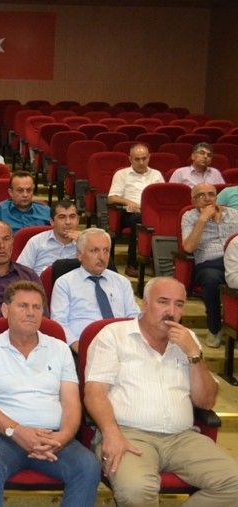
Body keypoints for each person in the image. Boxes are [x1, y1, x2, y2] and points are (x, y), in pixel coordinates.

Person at [84, 276, 238, 506]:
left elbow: (206, 401)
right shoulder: (113, 335)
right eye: (163, 302)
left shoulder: (188, 341)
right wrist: (110, 432)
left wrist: (194, 354)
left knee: (234, 483)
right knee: (136, 490)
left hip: (182, 438)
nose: (171, 311)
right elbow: (94, 393)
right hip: (128, 435)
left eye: (179, 304)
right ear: (145, 304)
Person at [0, 281, 100, 507]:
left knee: (88, 466)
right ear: (5, 310)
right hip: (3, 435)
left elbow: (71, 402)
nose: (31, 312)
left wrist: (62, 437)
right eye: (23, 306)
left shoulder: (59, 348)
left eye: (37, 307)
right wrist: (16, 431)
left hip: (52, 438)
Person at [51, 228, 140, 352]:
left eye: (106, 251)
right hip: (84, 346)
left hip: (122, 346)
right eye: (94, 251)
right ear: (79, 255)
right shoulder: (64, 283)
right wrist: (79, 348)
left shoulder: (122, 282)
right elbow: (59, 323)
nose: (102, 257)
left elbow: (134, 316)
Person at [181, 182, 238, 347]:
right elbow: (189, 248)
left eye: (211, 194)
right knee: (211, 279)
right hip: (209, 264)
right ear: (193, 201)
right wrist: (202, 220)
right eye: (201, 195)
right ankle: (214, 329)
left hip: (234, 260)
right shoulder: (189, 217)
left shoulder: (234, 214)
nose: (207, 199)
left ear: (217, 197)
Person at [107, 144, 165, 277]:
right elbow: (111, 198)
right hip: (129, 214)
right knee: (137, 220)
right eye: (137, 159)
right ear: (130, 159)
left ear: (149, 158)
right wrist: (128, 202)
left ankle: (160, 264)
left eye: (144, 158)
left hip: (152, 213)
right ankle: (132, 265)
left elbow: (162, 197)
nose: (141, 162)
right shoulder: (122, 174)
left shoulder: (156, 174)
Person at [16, 199, 80, 276]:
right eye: (62, 217)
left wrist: (83, 243)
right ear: (52, 222)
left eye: (72, 217)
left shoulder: (86, 243)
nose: (68, 222)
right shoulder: (36, 242)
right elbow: (21, 273)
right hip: (40, 282)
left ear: (78, 220)